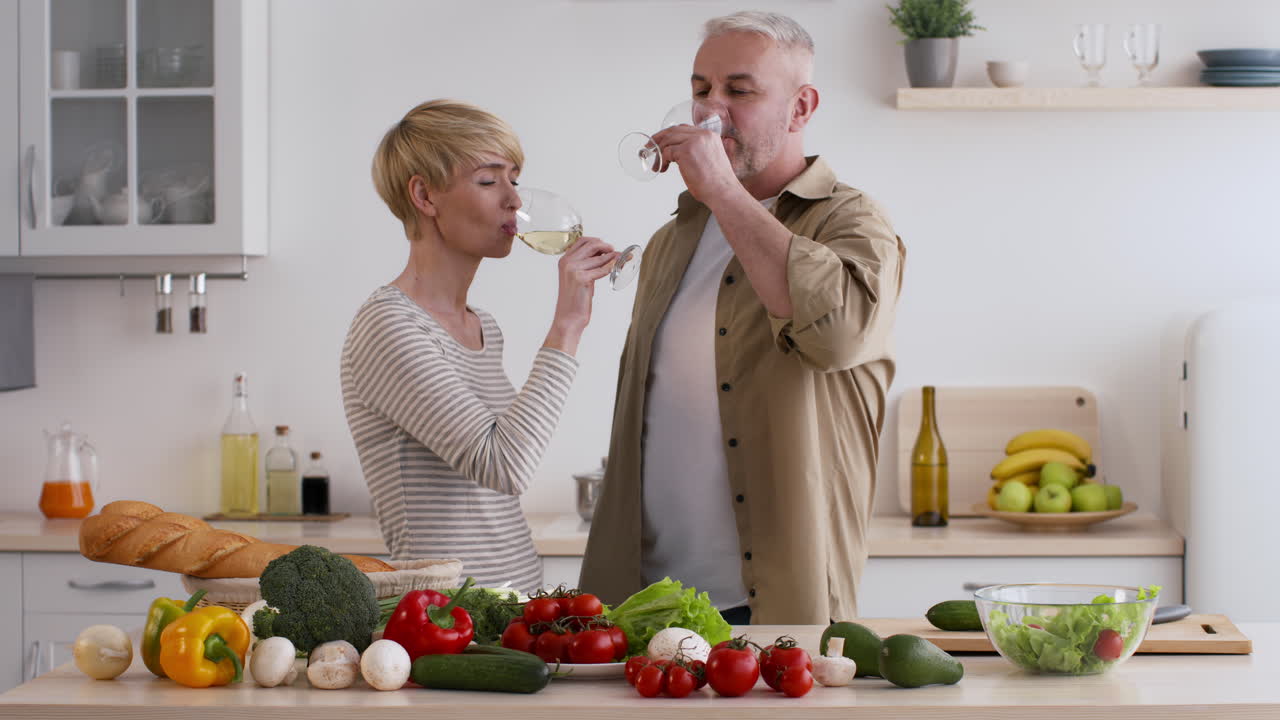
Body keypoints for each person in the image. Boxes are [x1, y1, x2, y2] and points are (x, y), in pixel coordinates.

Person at [581, 11, 905, 624]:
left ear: (801, 106)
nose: (710, 111)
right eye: (702, 89)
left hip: (773, 606)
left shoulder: (853, 222)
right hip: (644, 600)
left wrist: (725, 192)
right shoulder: (671, 240)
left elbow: (837, 338)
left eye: (739, 90)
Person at [342, 100, 617, 593]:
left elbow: (502, 466)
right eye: (489, 181)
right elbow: (505, 465)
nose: (514, 200)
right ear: (425, 195)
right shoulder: (389, 326)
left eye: (514, 178)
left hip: (510, 611)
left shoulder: (482, 326)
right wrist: (569, 324)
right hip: (446, 621)